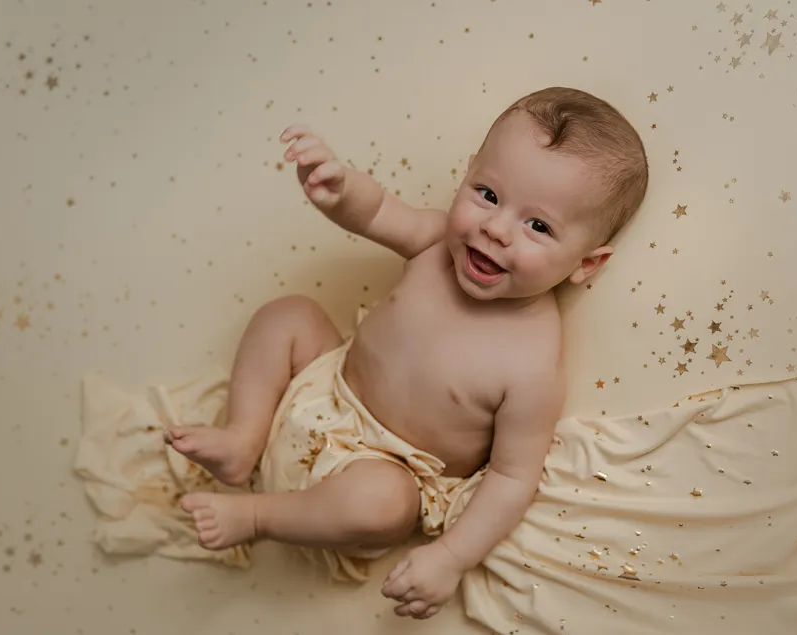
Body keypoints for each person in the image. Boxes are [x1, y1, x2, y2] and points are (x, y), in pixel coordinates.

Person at [164, 86, 648, 620]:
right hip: (327, 387)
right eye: (487, 194)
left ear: (586, 264)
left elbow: (512, 479)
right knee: (290, 315)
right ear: (466, 175)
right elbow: (377, 212)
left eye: (539, 226)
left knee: (382, 504)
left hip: (387, 470)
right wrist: (339, 186)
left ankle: (257, 517)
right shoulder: (437, 242)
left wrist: (450, 557)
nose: (495, 228)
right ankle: (243, 437)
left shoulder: (532, 362)